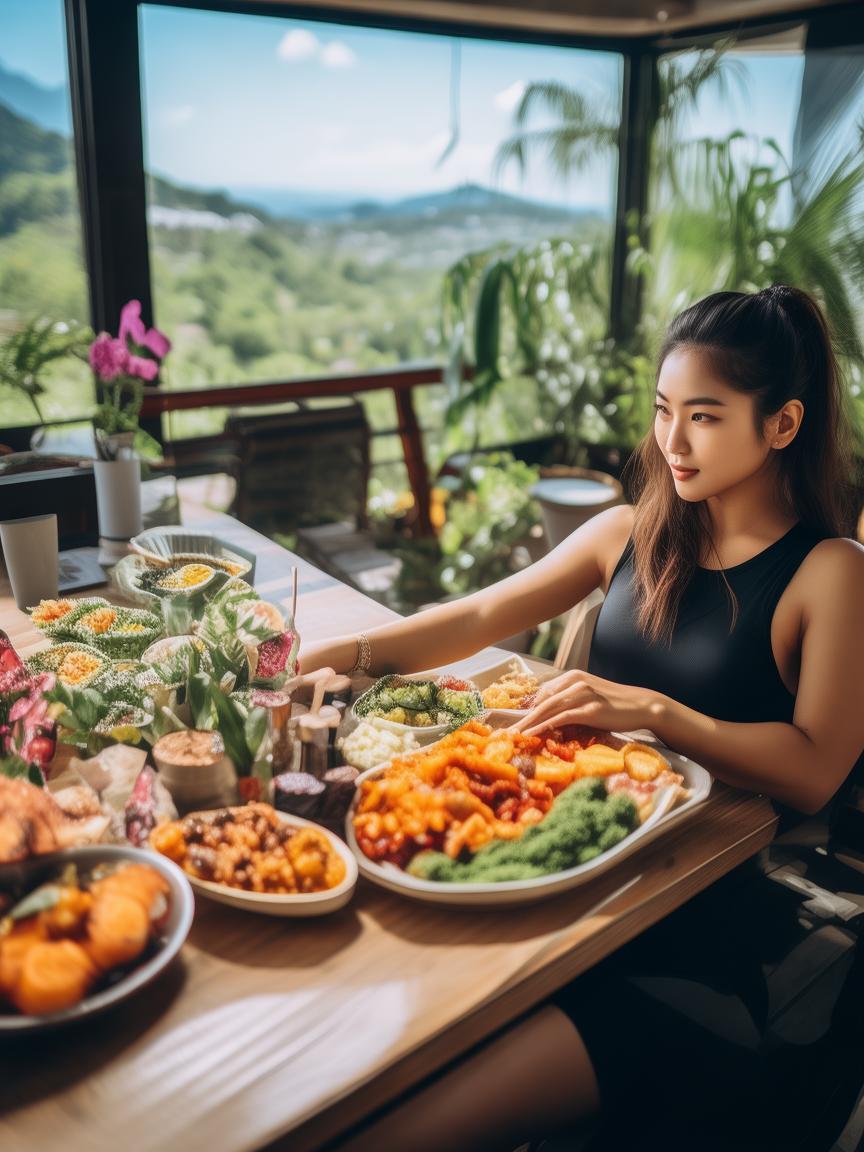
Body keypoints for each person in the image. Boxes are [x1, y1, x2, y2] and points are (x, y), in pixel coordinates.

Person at [302, 285, 864, 1152]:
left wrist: (654, 712)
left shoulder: (831, 572)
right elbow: (476, 615)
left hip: (693, 931)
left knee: (400, 1128)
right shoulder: (629, 533)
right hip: (557, 879)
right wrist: (335, 655)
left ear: (782, 424)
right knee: (343, 1067)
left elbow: (816, 768)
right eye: (664, 410)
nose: (672, 441)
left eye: (705, 416)